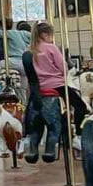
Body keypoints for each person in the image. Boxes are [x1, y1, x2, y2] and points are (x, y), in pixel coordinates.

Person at [26, 21, 66, 162]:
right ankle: (50, 149)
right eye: (51, 35)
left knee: (36, 126)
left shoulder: (30, 50)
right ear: (45, 34)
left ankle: (32, 149)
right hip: (54, 89)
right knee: (55, 124)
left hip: (36, 92)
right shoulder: (51, 48)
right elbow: (63, 68)